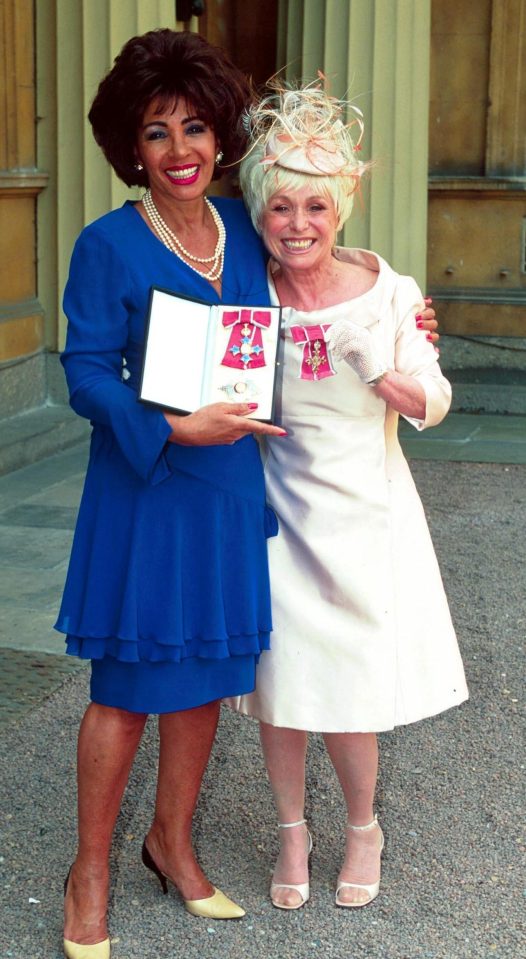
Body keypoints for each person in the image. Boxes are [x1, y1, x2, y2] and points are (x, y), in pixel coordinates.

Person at [55, 29, 290, 959]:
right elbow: (83, 370)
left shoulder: (244, 226)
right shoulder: (108, 242)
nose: (182, 150)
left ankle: (172, 842)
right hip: (147, 483)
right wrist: (170, 426)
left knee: (202, 683)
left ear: (221, 133)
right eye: (158, 132)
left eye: (196, 126)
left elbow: (313, 285)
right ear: (130, 146)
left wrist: (399, 307)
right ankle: (90, 871)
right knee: (124, 690)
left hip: (227, 485)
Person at [229, 82, 469, 911]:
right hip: (273, 515)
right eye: (282, 206)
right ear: (260, 211)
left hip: (363, 514)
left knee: (350, 686)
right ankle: (292, 828)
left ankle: (363, 825)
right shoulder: (243, 294)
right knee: (280, 682)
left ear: (342, 212)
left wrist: (381, 367)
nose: (299, 224)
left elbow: (434, 406)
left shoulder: (389, 291)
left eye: (316, 207)